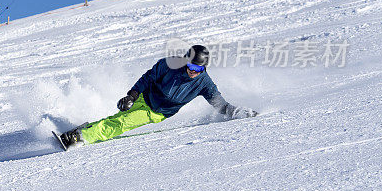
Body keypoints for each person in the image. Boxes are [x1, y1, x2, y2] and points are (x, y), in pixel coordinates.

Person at [59, 45, 257, 148]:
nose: (193, 71)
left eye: (198, 68)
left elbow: (219, 104)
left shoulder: (204, 83)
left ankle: (79, 138)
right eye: (191, 65)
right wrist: (131, 95)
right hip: (144, 97)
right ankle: (85, 129)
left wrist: (237, 112)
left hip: (156, 112)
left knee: (121, 124)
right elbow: (149, 77)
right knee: (118, 118)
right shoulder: (170, 63)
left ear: (204, 68)